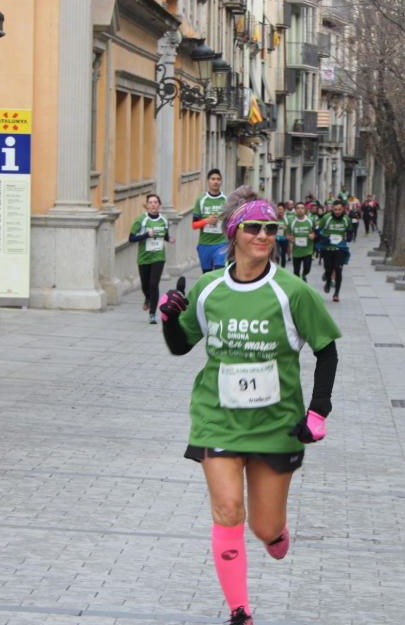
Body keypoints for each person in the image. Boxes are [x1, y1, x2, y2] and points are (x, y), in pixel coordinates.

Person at [158, 187, 341, 625]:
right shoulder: (209, 289)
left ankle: (275, 534)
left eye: (270, 229)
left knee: (263, 527)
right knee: (226, 509)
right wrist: (169, 319)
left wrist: (318, 410)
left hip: (275, 423)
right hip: (217, 418)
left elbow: (327, 349)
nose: (263, 235)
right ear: (235, 234)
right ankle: (240, 612)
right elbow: (182, 346)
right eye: (254, 228)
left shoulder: (292, 292)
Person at [128, 193, 172, 324]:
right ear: (146, 206)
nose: (153, 205)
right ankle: (147, 297)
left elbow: (165, 236)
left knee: (154, 284)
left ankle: (152, 314)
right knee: (145, 285)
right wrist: (146, 235)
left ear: (159, 205)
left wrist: (169, 239)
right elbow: (131, 238)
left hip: (158, 256)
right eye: (150, 202)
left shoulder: (164, 220)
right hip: (144, 257)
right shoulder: (141, 220)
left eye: (155, 202)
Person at [192, 169, 228, 272]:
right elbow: (194, 225)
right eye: (213, 179)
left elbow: (230, 222)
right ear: (208, 181)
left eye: (218, 179)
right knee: (206, 275)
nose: (216, 181)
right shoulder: (201, 200)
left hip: (221, 243)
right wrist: (206, 221)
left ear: (221, 182)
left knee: (219, 271)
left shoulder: (225, 200)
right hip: (205, 244)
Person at [318, 199, 350, 302]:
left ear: (343, 209)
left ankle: (336, 294)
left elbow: (350, 230)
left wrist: (349, 236)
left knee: (338, 269)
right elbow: (318, 230)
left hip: (341, 248)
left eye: (339, 209)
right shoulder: (326, 218)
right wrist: (325, 237)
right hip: (328, 248)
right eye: (335, 209)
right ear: (332, 209)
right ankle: (328, 281)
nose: (337, 212)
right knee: (328, 269)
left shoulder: (346, 219)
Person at [289, 202, 316, 281]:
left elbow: (316, 232)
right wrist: (290, 238)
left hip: (308, 250)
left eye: (302, 208)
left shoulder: (310, 221)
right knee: (296, 272)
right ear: (295, 210)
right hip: (296, 251)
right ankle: (298, 285)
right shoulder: (292, 222)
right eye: (298, 208)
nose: (300, 210)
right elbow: (287, 234)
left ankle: (304, 274)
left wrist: (313, 235)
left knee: (307, 268)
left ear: (305, 210)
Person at [275, 202, 291, 268]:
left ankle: (283, 267)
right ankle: (277, 267)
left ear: (284, 210)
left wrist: (286, 229)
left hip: (284, 238)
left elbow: (290, 228)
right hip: (276, 239)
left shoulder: (287, 218)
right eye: (278, 209)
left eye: (281, 209)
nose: (280, 211)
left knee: (283, 254)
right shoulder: (274, 218)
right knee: (277, 254)